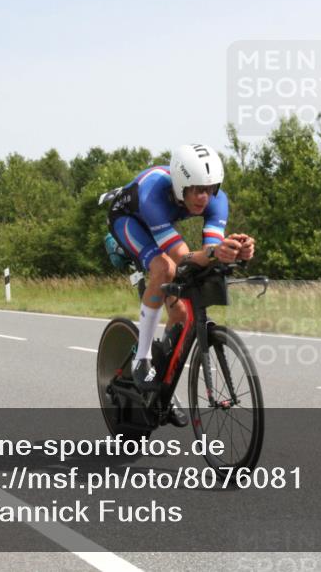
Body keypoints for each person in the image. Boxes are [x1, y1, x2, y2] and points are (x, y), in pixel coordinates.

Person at [103, 144, 255, 426]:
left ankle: (162, 385)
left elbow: (209, 252)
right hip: (128, 219)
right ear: (180, 185)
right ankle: (141, 359)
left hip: (160, 223)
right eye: (196, 189)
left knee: (182, 313)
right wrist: (213, 253)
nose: (203, 197)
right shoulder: (153, 192)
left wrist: (235, 251)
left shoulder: (216, 200)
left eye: (209, 189)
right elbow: (181, 256)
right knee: (165, 269)